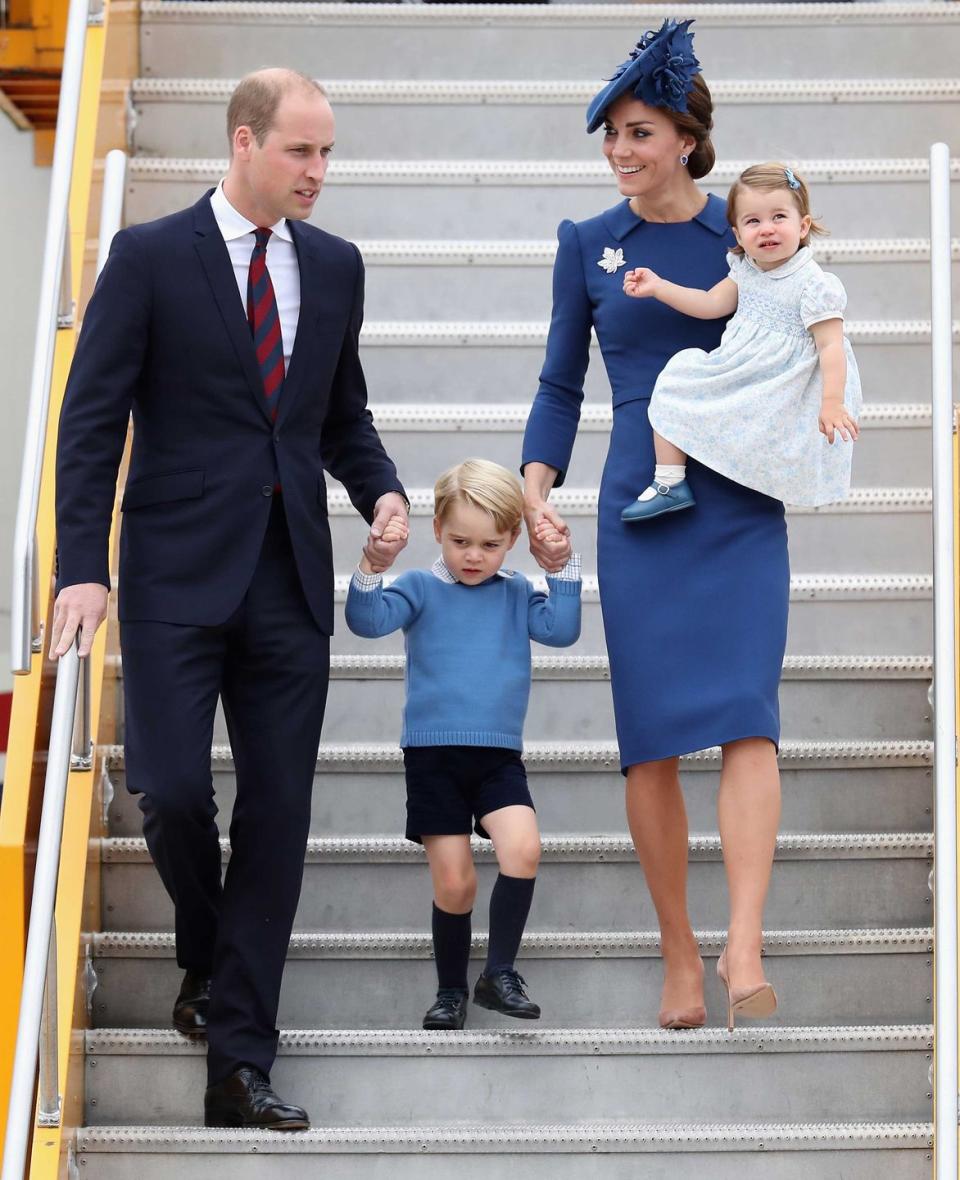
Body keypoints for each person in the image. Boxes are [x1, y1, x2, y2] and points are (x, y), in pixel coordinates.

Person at [51, 68, 410, 1128]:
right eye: (302, 150)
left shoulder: (337, 268)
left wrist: (381, 491)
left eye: (328, 152)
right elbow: (90, 420)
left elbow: (340, 413)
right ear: (244, 142)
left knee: (280, 816)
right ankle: (207, 952)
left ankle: (240, 1061)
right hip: (170, 575)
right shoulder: (152, 257)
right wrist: (83, 563)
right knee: (169, 791)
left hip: (289, 576)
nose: (319, 172)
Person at [522, 19, 785, 1032]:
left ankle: (744, 941)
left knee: (748, 717)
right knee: (653, 745)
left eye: (639, 133)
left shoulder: (747, 228)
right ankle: (679, 949)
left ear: (685, 136)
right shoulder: (587, 244)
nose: (621, 153)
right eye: (611, 138)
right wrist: (537, 482)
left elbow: (808, 326)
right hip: (641, 498)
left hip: (741, 496)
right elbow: (559, 379)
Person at [345, 459, 581, 1030]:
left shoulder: (516, 590)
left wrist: (564, 566)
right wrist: (373, 565)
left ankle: (498, 971)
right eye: (460, 542)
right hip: (433, 759)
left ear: (512, 540)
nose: (473, 556)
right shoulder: (422, 587)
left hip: (498, 757)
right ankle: (451, 988)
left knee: (522, 848)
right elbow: (365, 621)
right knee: (455, 882)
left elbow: (563, 630)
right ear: (437, 532)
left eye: (490, 545)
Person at [621, 162, 861, 522]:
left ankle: (749, 477)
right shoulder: (745, 270)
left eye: (779, 216)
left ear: (803, 225)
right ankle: (670, 482)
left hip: (785, 384)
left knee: (764, 425)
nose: (767, 229)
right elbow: (709, 303)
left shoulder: (814, 284)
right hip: (742, 369)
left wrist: (831, 402)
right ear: (737, 233)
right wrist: (659, 287)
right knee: (678, 378)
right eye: (753, 221)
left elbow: (831, 346)